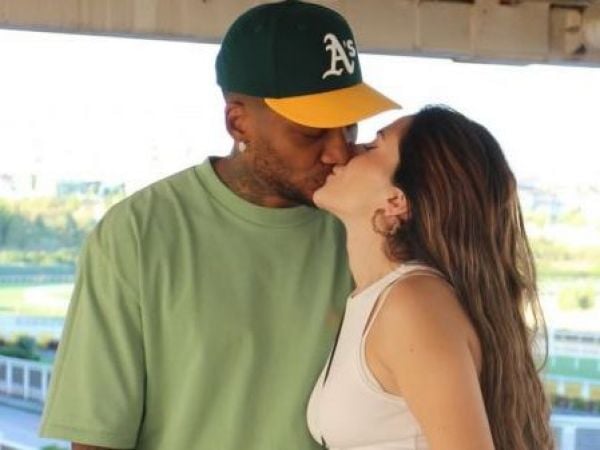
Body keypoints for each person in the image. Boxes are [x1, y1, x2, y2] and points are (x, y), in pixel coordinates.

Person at [38, 1, 398, 449]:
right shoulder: (137, 234)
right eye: (311, 133)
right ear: (237, 121)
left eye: (348, 128)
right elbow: (97, 439)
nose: (339, 152)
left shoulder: (371, 231)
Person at [307, 106, 555, 450]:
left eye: (373, 147)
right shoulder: (380, 299)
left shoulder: (412, 303)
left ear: (396, 200)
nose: (349, 151)